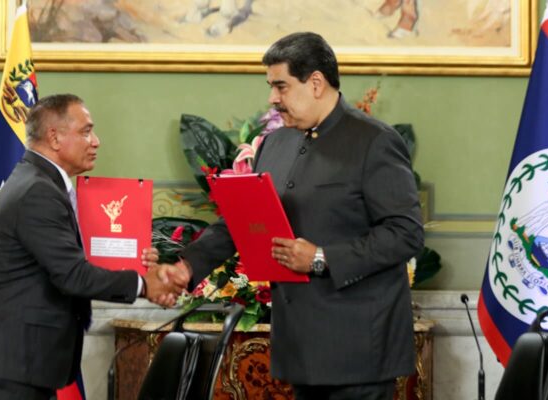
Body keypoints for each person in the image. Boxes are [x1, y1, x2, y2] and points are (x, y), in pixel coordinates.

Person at [170, 32, 424, 399]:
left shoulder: (374, 141)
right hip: (300, 350)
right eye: (271, 87)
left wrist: (320, 258)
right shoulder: (276, 142)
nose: (272, 99)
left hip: (358, 355)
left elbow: (405, 234)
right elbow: (243, 217)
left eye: (281, 86)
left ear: (316, 83)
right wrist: (186, 268)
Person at [0, 94, 190, 400]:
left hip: (19, 365)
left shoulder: (41, 183)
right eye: (85, 132)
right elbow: (72, 275)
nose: (96, 141)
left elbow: (62, 262)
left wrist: (137, 265)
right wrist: (143, 284)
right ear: (54, 137)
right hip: (6, 367)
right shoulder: (37, 191)